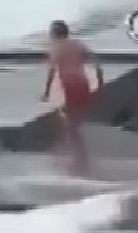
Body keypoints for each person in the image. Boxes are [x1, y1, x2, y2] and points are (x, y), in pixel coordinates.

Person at [41, 19, 103, 176]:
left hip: (71, 88)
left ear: (55, 34)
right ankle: (77, 160)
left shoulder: (56, 48)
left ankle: (80, 164)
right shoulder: (77, 44)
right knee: (72, 125)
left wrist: (46, 92)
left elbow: (51, 72)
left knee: (71, 128)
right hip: (82, 85)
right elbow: (96, 61)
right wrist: (100, 79)